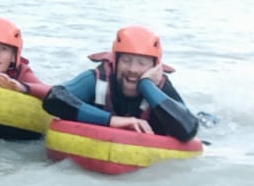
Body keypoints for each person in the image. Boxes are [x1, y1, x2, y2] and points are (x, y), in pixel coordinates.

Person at [42, 25, 198, 141]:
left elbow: (188, 129)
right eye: (126, 60)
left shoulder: (161, 87)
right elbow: (53, 98)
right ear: (115, 61)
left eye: (142, 64)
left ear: (155, 67)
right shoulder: (98, 79)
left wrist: (146, 85)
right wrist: (112, 121)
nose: (132, 69)